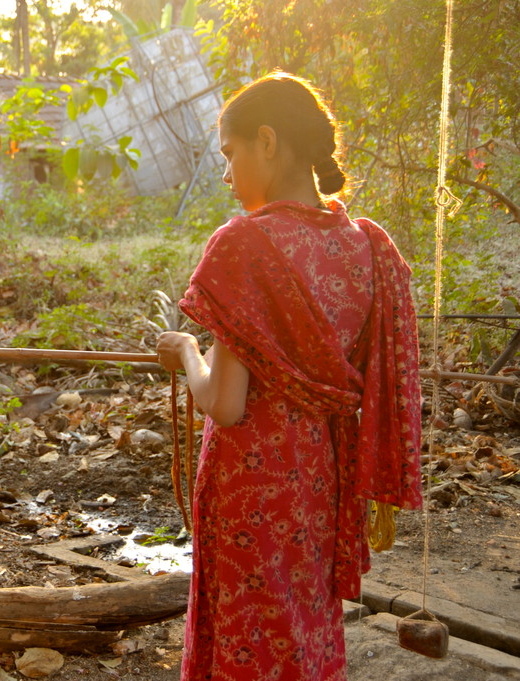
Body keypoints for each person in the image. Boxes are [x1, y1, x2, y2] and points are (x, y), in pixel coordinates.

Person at [156, 72, 424, 680]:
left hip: (252, 486)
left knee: (247, 634)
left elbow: (223, 403)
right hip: (323, 477)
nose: (225, 175)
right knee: (304, 628)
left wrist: (187, 354)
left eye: (230, 154)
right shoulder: (366, 247)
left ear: (268, 142)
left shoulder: (244, 247)